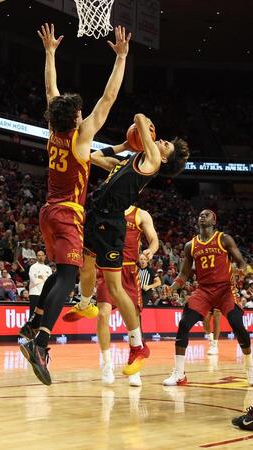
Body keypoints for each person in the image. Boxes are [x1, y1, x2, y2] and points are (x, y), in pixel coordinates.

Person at [19, 22, 131, 385]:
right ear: (77, 119)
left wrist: (50, 53)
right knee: (67, 276)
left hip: (47, 212)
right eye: (81, 114)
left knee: (58, 272)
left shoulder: (55, 128)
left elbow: (50, 88)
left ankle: (31, 325)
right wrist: (121, 59)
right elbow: (108, 99)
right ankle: (41, 340)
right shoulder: (81, 137)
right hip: (68, 213)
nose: (85, 115)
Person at [65, 124, 189, 376]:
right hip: (96, 215)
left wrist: (145, 139)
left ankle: (137, 346)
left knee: (114, 289)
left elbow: (140, 118)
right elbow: (94, 156)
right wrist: (124, 146)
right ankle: (86, 303)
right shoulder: (128, 162)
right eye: (161, 140)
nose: (161, 141)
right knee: (85, 263)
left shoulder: (152, 162)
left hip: (111, 224)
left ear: (163, 157)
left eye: (165, 144)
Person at [162, 209, 253, 386]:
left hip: (225, 289)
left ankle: (249, 368)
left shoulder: (224, 239)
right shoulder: (191, 245)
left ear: (214, 220)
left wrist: (242, 270)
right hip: (204, 291)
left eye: (207, 215)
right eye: (200, 215)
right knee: (184, 324)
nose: (202, 216)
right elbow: (184, 274)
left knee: (237, 324)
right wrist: (172, 288)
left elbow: (241, 262)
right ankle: (179, 374)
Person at [96, 206, 159, 387]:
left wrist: (151, 250)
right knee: (102, 314)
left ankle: (135, 366)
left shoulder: (141, 214)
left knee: (135, 320)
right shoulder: (105, 209)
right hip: (107, 266)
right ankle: (107, 363)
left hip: (130, 270)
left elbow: (154, 239)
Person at [27, 250, 51, 316]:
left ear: (45, 256)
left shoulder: (48, 268)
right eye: (38, 255)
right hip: (35, 293)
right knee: (33, 315)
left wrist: (40, 277)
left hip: (45, 295)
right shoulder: (33, 267)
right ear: (36, 257)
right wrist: (45, 277)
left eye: (42, 255)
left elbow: (50, 282)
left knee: (44, 315)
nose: (40, 257)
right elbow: (34, 281)